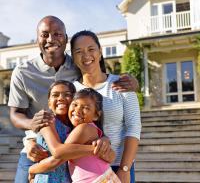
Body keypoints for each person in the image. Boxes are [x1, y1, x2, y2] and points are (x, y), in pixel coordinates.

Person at [8, 15, 138, 183]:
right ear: (37, 38)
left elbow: (96, 77)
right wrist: (32, 131)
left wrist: (134, 83)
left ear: (65, 39)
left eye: (57, 34)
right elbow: (15, 114)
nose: (51, 39)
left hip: (75, 154)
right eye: (45, 34)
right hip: (38, 147)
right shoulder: (23, 71)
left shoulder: (78, 67)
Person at [70, 30, 142, 183]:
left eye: (91, 49)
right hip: (84, 171)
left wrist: (125, 169)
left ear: (100, 52)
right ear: (73, 57)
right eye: (79, 51)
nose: (86, 55)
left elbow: (134, 127)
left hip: (118, 165)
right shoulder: (70, 91)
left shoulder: (122, 84)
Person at [30, 83, 120, 182]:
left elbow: (59, 154)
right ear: (48, 102)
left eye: (85, 108)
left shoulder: (84, 128)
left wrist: (32, 169)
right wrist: (95, 149)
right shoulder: (48, 120)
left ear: (96, 115)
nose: (77, 110)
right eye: (75, 105)